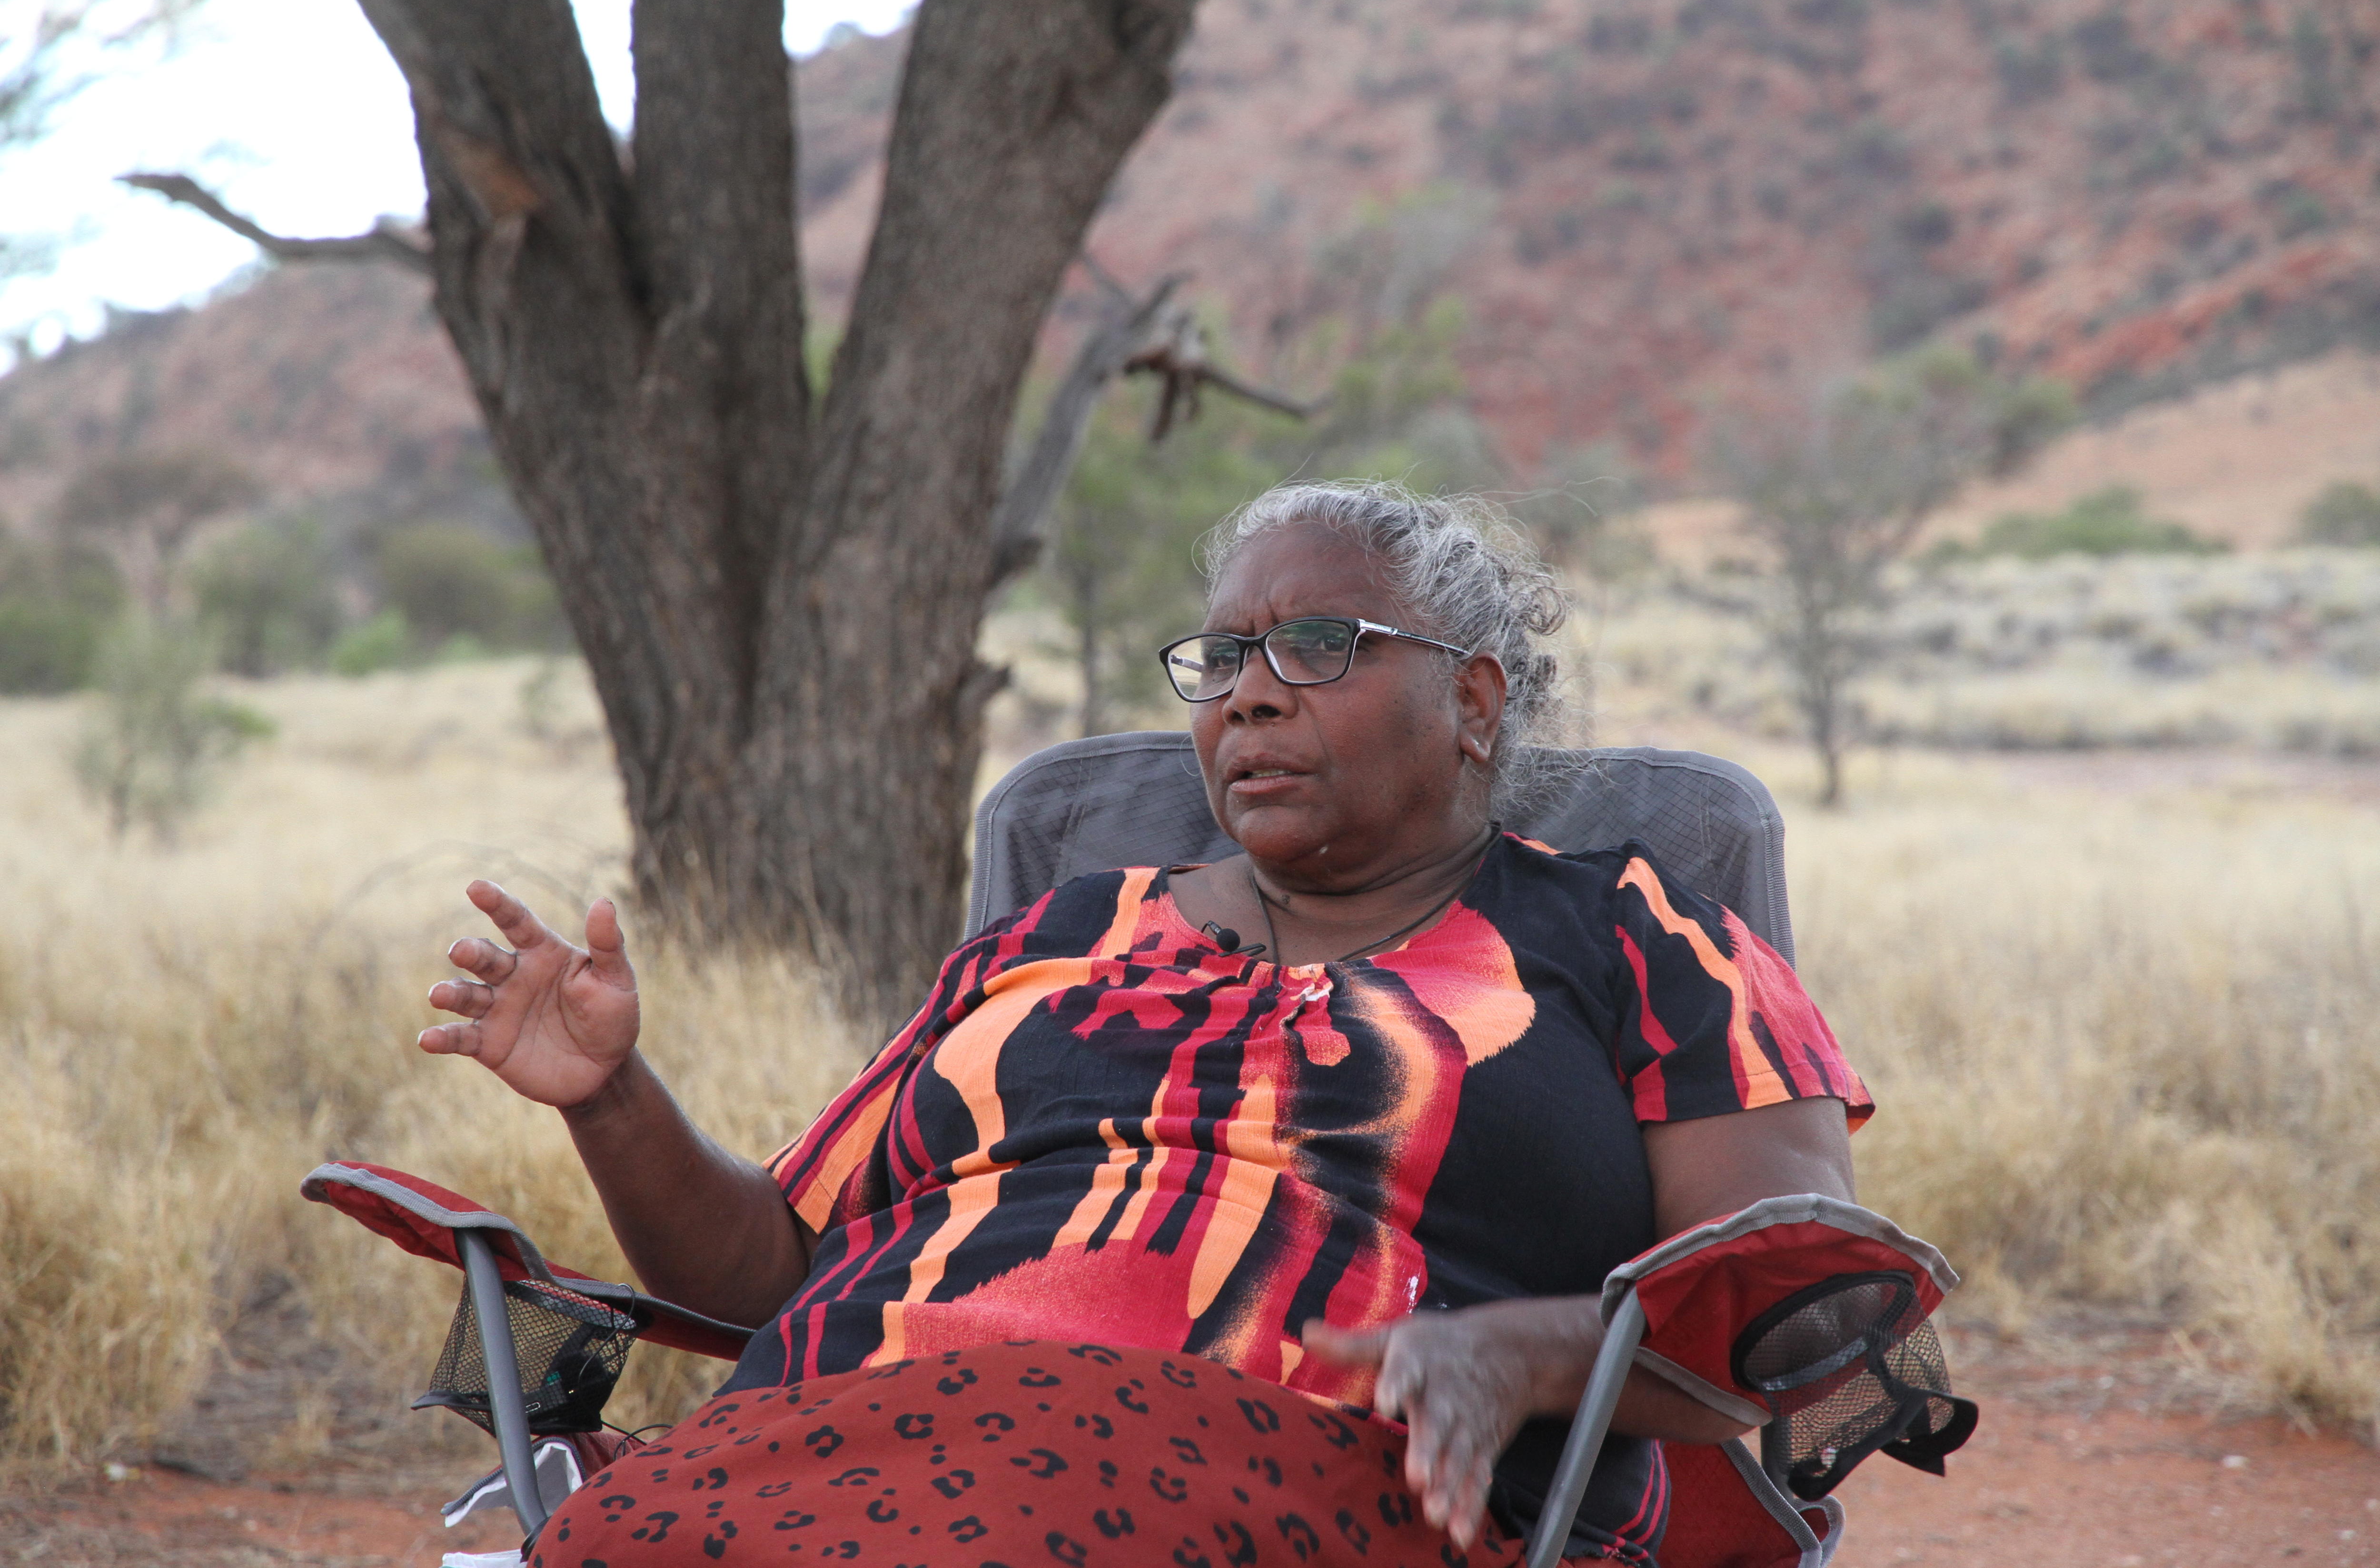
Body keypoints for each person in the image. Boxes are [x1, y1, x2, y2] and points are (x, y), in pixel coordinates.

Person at [421, 483, 1869, 1568]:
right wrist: (610, 1096)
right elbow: (763, 1278)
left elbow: (1796, 1290)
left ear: (1474, 701)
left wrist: (1525, 1353)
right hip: (836, 1441)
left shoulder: (1637, 934)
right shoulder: (1056, 934)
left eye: (1315, 645)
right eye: (1223, 657)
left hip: (1303, 1473)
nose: (1247, 693)